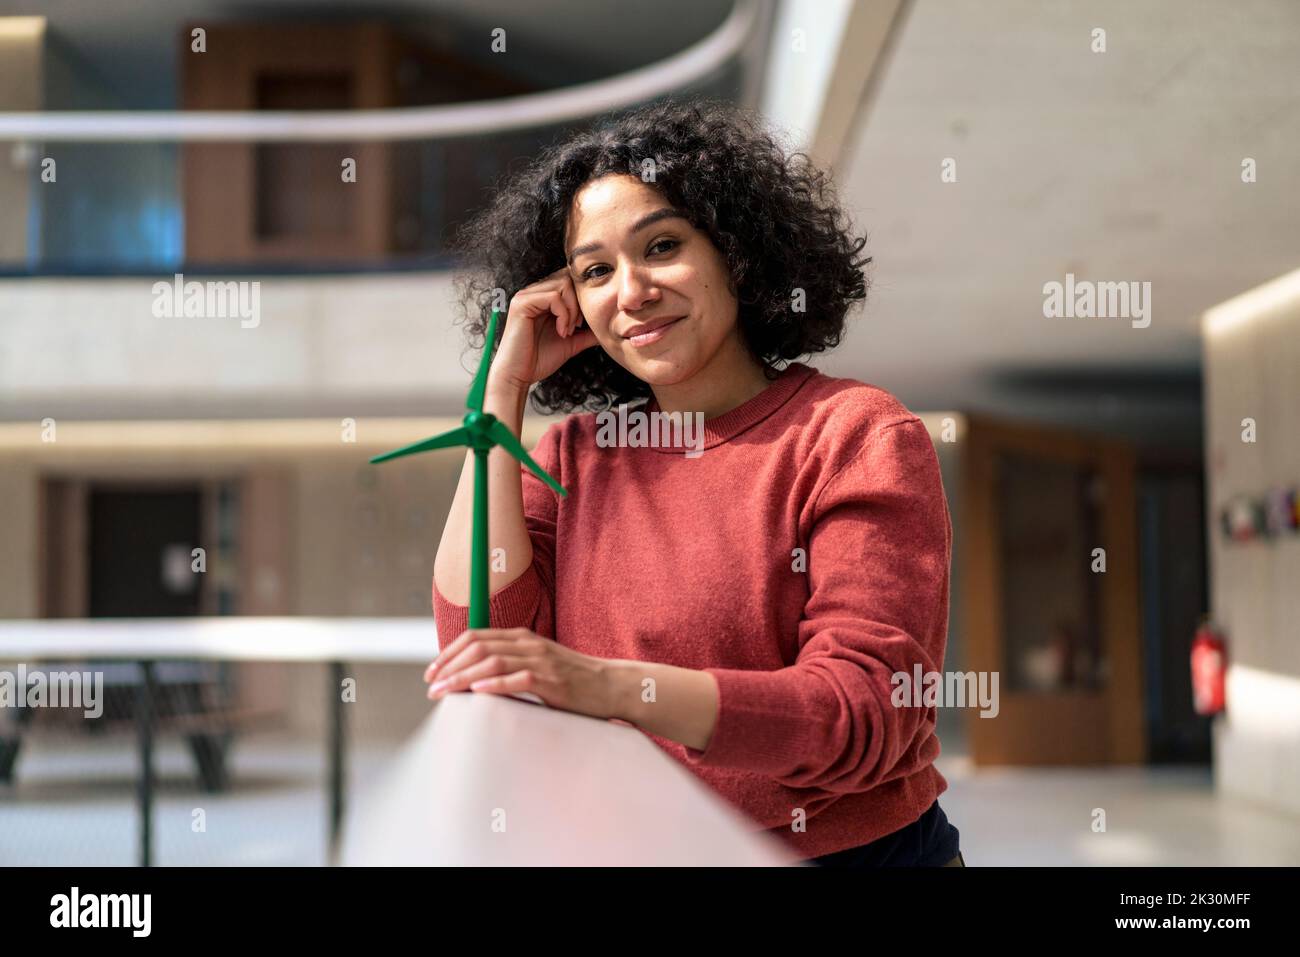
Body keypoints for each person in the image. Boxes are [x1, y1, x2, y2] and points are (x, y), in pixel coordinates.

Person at [425, 98, 963, 867]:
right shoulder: (576, 453)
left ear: (736, 253)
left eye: (663, 245)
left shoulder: (854, 434)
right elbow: (484, 649)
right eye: (596, 271)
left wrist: (611, 687)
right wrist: (499, 396)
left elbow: (866, 712)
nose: (631, 292)